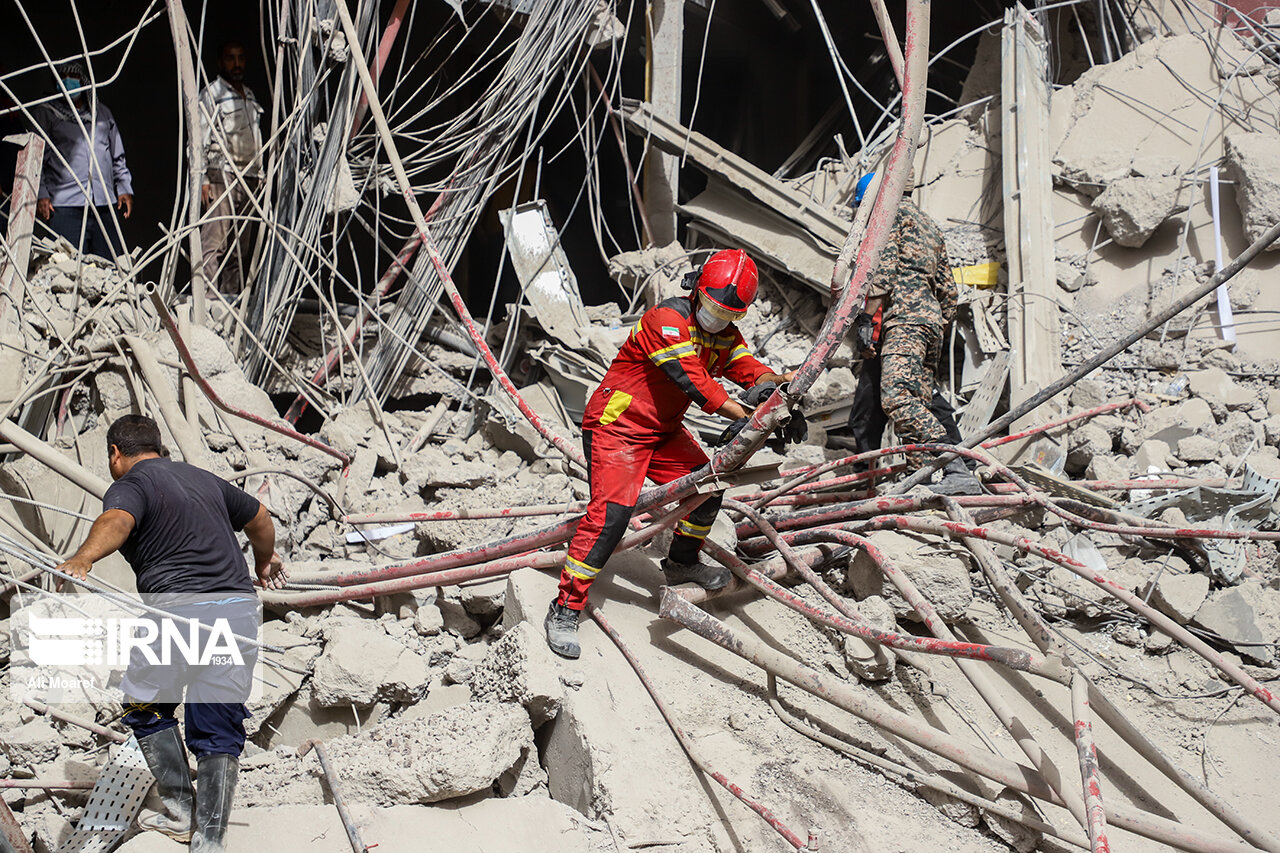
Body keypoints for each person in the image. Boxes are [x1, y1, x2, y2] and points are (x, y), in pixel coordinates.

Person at [545, 249, 803, 659]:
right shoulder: (665, 321)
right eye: (714, 309)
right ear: (697, 290)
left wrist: (774, 389)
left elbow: (747, 367)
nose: (718, 319)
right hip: (619, 426)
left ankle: (682, 562)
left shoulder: (723, 336)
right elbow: (697, 383)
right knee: (611, 516)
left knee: (708, 489)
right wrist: (754, 417)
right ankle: (566, 606)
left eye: (729, 315)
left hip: (663, 431)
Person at [56, 415, 287, 852]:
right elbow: (259, 517)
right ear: (159, 447)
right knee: (217, 720)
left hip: (178, 615)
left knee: (143, 704)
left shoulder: (132, 483)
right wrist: (263, 561)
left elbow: (117, 520)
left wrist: (83, 558)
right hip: (237, 615)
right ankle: (210, 838)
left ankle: (182, 811)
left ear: (115, 454)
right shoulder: (204, 479)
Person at [851, 172, 981, 496]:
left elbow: (882, 272)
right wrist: (935, 321)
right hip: (930, 325)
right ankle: (918, 479)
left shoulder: (887, 217)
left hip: (904, 321)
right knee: (919, 401)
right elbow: (949, 291)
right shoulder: (930, 225)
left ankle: (955, 466)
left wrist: (867, 321)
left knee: (896, 398)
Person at [32, 60, 133, 260]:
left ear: (83, 80)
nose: (69, 82)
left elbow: (116, 155)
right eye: (63, 78)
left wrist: (124, 187)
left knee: (108, 265)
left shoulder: (101, 113)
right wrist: (41, 194)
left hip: (104, 204)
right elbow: (36, 159)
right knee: (69, 267)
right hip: (66, 206)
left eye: (74, 77)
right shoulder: (46, 114)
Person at [198, 39, 264, 295]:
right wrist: (203, 179)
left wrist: (260, 172)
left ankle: (229, 304)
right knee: (214, 245)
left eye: (240, 58)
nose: (236, 64)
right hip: (222, 175)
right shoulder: (212, 94)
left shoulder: (248, 94)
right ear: (220, 62)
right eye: (230, 58)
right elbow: (199, 139)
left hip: (249, 177)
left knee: (239, 249)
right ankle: (209, 305)